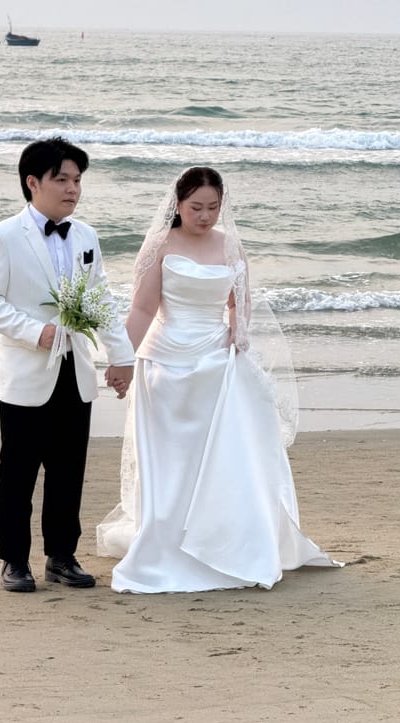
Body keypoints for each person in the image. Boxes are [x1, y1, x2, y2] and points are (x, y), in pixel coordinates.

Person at [97, 166, 341, 593]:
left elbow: (239, 302)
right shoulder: (159, 245)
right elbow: (141, 310)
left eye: (213, 207)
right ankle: (165, 544)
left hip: (216, 366)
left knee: (221, 458)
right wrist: (122, 360)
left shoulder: (230, 247)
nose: (205, 215)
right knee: (171, 463)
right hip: (165, 367)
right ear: (178, 205)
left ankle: (224, 543)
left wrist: (238, 334)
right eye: (196, 207)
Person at [0, 137, 134, 592]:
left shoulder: (85, 236)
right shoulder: (3, 235)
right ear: (32, 182)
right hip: (24, 372)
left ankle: (62, 556)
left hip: (74, 371)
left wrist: (121, 356)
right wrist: (32, 331)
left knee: (68, 469)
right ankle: (14, 562)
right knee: (18, 471)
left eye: (77, 180)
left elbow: (99, 298)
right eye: (61, 179)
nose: (72, 189)